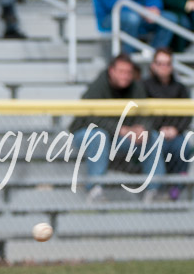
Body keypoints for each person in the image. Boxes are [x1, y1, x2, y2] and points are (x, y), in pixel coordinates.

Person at [69, 54, 165, 203]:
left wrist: (142, 128)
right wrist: (121, 129)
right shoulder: (98, 86)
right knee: (98, 136)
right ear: (111, 71)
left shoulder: (136, 87)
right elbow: (90, 118)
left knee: (152, 137)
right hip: (87, 133)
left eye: (128, 72)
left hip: (119, 136)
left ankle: (154, 191)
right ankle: (95, 190)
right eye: (121, 71)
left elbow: (145, 114)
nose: (125, 76)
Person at [143, 48, 194, 200]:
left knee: (183, 146)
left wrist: (176, 130)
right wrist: (158, 129)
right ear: (153, 65)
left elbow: (187, 115)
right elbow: (142, 114)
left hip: (175, 134)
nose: (164, 67)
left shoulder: (180, 88)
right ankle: (155, 190)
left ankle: (176, 189)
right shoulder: (144, 86)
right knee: (153, 144)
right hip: (153, 133)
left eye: (167, 64)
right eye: (160, 63)